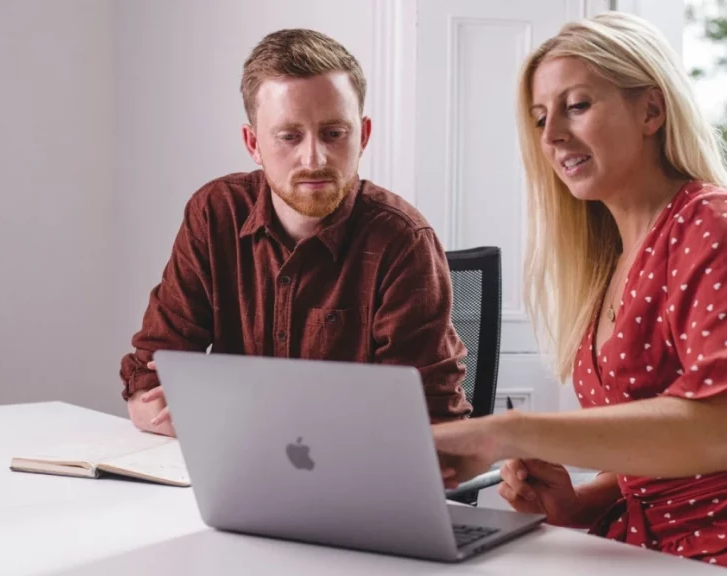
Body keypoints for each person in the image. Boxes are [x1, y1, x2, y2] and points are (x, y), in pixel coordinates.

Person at [432, 12, 727, 575]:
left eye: (577, 105)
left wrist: (506, 432)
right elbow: (651, 453)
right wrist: (576, 503)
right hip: (638, 539)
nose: (552, 136)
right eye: (541, 118)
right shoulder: (609, 260)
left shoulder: (713, 221)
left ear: (651, 110)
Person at [119, 28, 471, 437]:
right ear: (253, 143)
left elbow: (428, 421)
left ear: (364, 135)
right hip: (231, 476)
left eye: (334, 133)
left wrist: (238, 420)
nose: (314, 157)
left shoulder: (402, 241)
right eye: (289, 136)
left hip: (357, 487)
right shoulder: (216, 214)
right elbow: (154, 370)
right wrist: (151, 405)